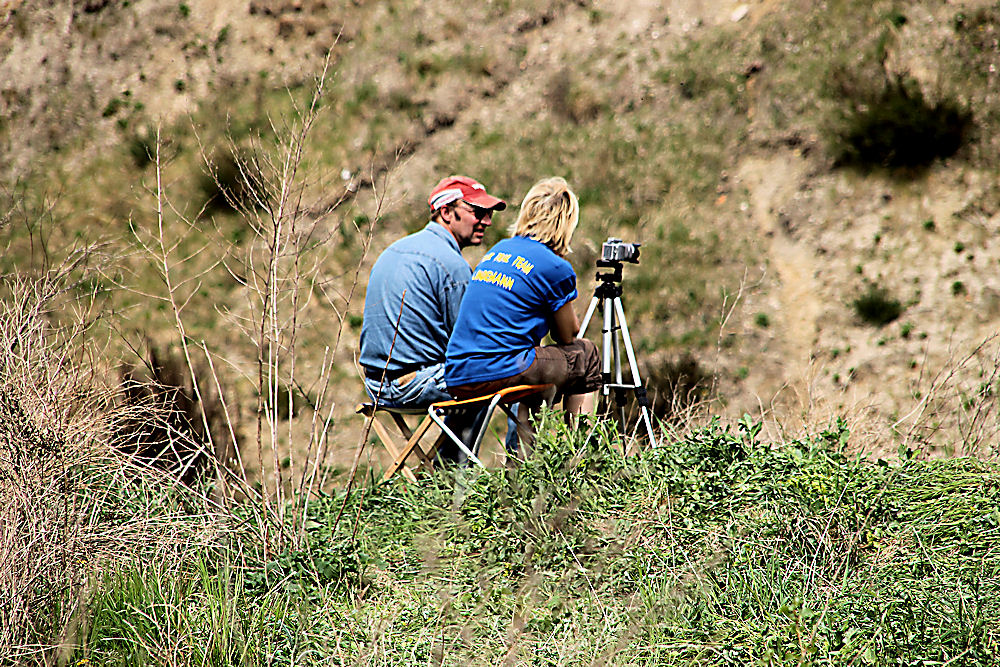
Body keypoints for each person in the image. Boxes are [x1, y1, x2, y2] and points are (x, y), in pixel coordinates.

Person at [444, 177, 601, 445]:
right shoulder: (555, 267)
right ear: (566, 223)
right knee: (586, 356)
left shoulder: (498, 251)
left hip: (458, 372)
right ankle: (580, 458)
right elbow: (568, 336)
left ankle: (524, 471)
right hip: (499, 370)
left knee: (538, 363)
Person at [359, 175, 506, 460]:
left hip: (376, 385)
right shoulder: (452, 265)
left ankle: (440, 476)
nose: (486, 221)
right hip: (413, 385)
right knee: (495, 374)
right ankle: (459, 480)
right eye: (477, 212)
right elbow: (471, 345)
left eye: (488, 213)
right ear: (446, 212)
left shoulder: (395, 248)